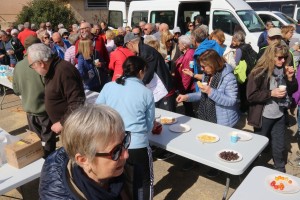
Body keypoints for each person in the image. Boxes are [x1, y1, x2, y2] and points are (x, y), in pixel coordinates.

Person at [39, 104, 131, 199]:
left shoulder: (118, 172)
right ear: (83, 160)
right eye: (115, 151)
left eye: (125, 141)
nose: (126, 154)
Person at [96, 56, 155, 200]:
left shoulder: (109, 86)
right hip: (137, 144)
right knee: (143, 181)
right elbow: (149, 124)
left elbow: (98, 111)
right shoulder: (146, 92)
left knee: (119, 179)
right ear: (141, 71)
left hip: (112, 144)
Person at [177, 49, 239, 173]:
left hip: (221, 118)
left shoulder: (229, 77)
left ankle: (216, 167)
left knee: (218, 144)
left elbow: (231, 101)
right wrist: (187, 97)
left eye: (204, 66)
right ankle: (196, 161)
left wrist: (211, 91)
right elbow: (202, 94)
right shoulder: (207, 75)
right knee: (201, 139)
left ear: (213, 64)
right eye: (201, 66)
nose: (202, 69)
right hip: (205, 113)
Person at [247, 43, 298, 173]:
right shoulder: (259, 72)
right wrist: (271, 93)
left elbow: (293, 90)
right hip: (263, 116)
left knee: (279, 146)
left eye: (285, 57)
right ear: (271, 56)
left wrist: (291, 78)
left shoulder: (284, 69)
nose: (283, 60)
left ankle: (279, 170)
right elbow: (250, 95)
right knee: (258, 145)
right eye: (279, 57)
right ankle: (251, 170)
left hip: (280, 114)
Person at [27, 43, 85, 134]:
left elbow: (77, 101)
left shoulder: (64, 71)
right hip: (66, 127)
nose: (33, 68)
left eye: (32, 65)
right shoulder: (51, 70)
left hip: (72, 128)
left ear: (41, 63)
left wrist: (62, 123)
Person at [13, 36, 56, 157]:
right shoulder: (42, 65)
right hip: (44, 110)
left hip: (29, 110)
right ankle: (48, 163)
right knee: (48, 141)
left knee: (36, 141)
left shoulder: (18, 66)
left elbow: (16, 90)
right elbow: (51, 88)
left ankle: (40, 161)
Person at [124, 32, 176, 112]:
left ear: (130, 43)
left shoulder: (146, 51)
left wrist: (134, 86)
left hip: (163, 91)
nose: (128, 49)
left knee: (167, 118)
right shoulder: (142, 51)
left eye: (127, 46)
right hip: (156, 91)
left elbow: (147, 75)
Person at [174, 35, 195, 117]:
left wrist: (183, 89)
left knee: (188, 107)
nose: (178, 45)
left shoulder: (188, 55)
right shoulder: (187, 53)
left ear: (184, 45)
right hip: (185, 84)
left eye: (179, 43)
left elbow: (187, 74)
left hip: (186, 86)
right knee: (188, 106)